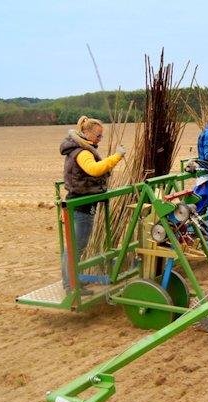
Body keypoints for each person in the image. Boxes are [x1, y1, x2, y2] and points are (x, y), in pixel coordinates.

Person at [59, 115, 126, 294]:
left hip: (81, 202)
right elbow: (95, 170)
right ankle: (71, 286)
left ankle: (73, 282)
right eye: (98, 136)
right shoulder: (83, 152)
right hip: (81, 205)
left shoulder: (82, 149)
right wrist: (117, 157)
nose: (100, 139)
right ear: (87, 134)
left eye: (101, 136)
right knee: (76, 247)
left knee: (75, 246)